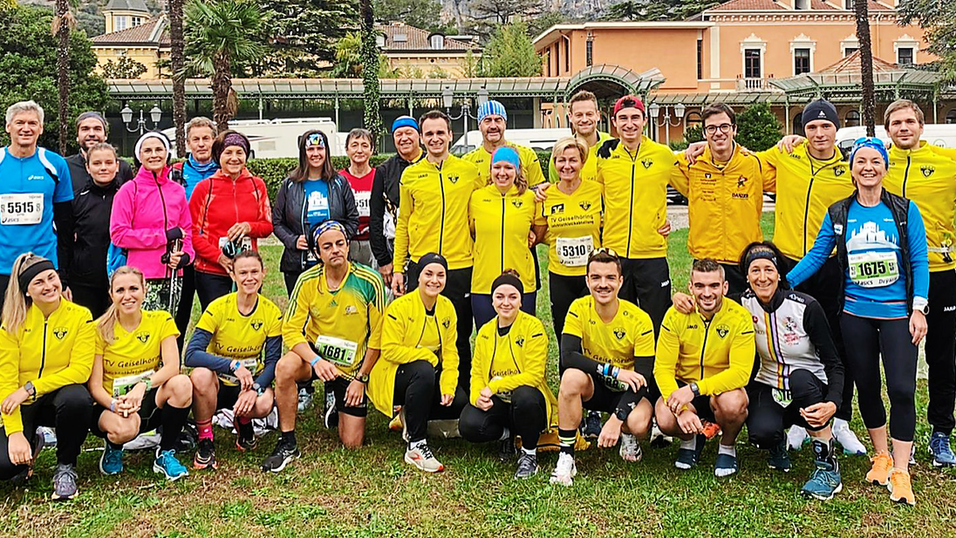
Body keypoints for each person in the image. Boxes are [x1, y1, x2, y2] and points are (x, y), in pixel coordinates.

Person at [787, 137, 929, 506]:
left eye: (875, 161)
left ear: (884, 168)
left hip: (898, 314)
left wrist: (919, 308)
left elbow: (919, 261)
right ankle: (880, 454)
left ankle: (901, 468)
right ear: (851, 170)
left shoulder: (903, 211)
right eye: (861, 161)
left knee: (900, 389)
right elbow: (818, 255)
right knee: (866, 387)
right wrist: (778, 285)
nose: (868, 167)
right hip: (855, 314)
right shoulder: (839, 213)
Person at [673, 242, 845, 499]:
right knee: (762, 433)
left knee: (799, 378)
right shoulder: (741, 304)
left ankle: (827, 466)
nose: (762, 277)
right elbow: (707, 299)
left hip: (808, 384)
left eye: (768, 269)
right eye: (755, 270)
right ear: (747, 276)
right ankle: (775, 441)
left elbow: (834, 363)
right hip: (769, 382)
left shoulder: (806, 307)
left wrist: (833, 402)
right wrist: (678, 298)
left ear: (779, 273)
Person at [758, 100, 864, 454]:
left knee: (836, 342)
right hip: (789, 263)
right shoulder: (786, 157)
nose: (819, 134)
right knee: (790, 342)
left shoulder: (848, 167)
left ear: (836, 130)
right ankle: (800, 421)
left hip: (832, 265)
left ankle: (842, 418)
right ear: (802, 131)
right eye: (811, 127)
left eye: (826, 127)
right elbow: (743, 159)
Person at [261, 221, 386, 472]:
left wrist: (361, 379)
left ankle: (336, 402)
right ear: (317, 253)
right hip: (316, 358)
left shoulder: (369, 280)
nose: (335, 250)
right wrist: (317, 361)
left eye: (340, 244)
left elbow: (379, 338)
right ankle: (287, 441)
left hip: (352, 366)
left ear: (348, 246)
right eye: (327, 246)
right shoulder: (307, 280)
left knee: (352, 443)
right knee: (284, 368)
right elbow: (291, 329)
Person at [881, 99, 956, 466]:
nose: (903, 127)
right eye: (896, 122)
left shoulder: (948, 163)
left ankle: (941, 432)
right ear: (887, 130)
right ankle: (902, 439)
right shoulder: (879, 163)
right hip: (894, 277)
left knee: (942, 356)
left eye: (910, 121)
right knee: (900, 361)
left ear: (922, 126)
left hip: (942, 273)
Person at [392, 110, 482, 394]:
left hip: (460, 266)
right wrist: (398, 268)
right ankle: (422, 394)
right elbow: (404, 222)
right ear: (422, 137)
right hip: (422, 265)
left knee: (459, 335)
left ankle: (460, 395)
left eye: (440, 132)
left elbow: (485, 207)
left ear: (450, 135)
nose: (434, 138)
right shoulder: (411, 174)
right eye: (429, 134)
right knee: (419, 335)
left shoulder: (469, 172)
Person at [550, 250, 656, 486]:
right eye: (596, 278)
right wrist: (613, 371)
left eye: (610, 278)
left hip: (627, 391)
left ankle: (627, 435)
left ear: (620, 281)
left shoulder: (639, 319)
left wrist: (617, 420)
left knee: (638, 423)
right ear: (587, 281)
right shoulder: (578, 308)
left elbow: (644, 377)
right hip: (595, 385)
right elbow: (567, 357)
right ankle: (566, 454)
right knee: (570, 378)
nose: (603, 284)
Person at [0, 253, 93, 500]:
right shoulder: (12, 323)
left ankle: (65, 467)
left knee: (78, 398)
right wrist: (15, 433)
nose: (49, 286)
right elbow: (6, 380)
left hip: (57, 399)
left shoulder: (80, 316)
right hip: (21, 404)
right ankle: (32, 440)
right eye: (38, 282)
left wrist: (31, 387)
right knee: (6, 467)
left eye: (51, 277)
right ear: (27, 291)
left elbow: (81, 370)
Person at [87, 266, 192, 481]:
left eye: (134, 288)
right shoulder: (98, 329)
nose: (128, 296)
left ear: (144, 290)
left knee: (182, 384)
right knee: (126, 428)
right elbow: (95, 386)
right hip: (112, 405)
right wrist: (116, 405)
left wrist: (143, 385)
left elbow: (173, 366)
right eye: (120, 290)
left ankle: (166, 452)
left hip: (148, 399)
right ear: (111, 294)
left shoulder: (161, 320)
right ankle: (114, 447)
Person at [654, 259, 754, 477]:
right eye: (699, 286)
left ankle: (727, 446)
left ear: (725, 288)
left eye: (714, 286)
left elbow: (741, 373)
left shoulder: (740, 318)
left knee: (734, 403)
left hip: (720, 389)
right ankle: (690, 440)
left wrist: (695, 389)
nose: (707, 293)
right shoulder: (675, 314)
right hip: (685, 386)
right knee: (664, 415)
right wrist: (681, 408)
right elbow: (662, 368)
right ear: (690, 287)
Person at [367, 253, 467, 472]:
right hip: (393, 374)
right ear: (418, 277)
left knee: (458, 400)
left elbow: (451, 352)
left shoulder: (447, 307)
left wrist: (448, 385)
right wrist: (428, 357)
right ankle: (416, 445)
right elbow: (390, 350)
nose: (434, 280)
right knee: (423, 370)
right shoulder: (400, 307)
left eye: (440, 275)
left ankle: (408, 418)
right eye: (428, 274)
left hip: (425, 373)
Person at [185, 250, 282, 470]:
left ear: (264, 273)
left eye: (255, 272)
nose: (250, 278)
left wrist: (255, 388)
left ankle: (244, 422)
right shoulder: (218, 307)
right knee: (199, 375)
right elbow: (191, 354)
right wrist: (232, 365)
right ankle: (206, 439)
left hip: (248, 384)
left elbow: (273, 361)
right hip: (217, 384)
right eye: (243, 272)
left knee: (265, 402)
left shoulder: (271, 311)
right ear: (233, 276)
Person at [459, 271, 558, 479]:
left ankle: (529, 454)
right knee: (468, 423)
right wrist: (477, 396)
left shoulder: (533, 328)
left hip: (529, 404)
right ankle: (509, 436)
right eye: (500, 297)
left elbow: (534, 375)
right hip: (501, 404)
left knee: (524, 395)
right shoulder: (485, 332)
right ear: (492, 301)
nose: (506, 303)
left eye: (513, 297)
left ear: (521, 301)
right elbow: (476, 373)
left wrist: (494, 386)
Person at [594, 95, 676, 332]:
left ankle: (654, 369)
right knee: (620, 320)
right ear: (614, 123)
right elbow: (587, 190)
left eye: (634, 118)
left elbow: (693, 185)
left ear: (644, 120)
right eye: (623, 118)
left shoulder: (663, 155)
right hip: (615, 252)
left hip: (652, 253)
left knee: (657, 319)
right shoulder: (604, 157)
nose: (629, 124)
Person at [671, 103, 771, 295]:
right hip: (705, 260)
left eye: (724, 126)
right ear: (704, 133)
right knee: (707, 319)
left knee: (743, 319)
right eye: (711, 128)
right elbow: (658, 166)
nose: (718, 133)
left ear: (734, 129)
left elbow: (790, 169)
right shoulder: (691, 163)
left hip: (742, 259)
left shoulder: (754, 163)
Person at [109, 131, 194, 320]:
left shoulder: (177, 191)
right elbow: (119, 235)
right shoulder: (129, 190)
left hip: (173, 276)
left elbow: (187, 230)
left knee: (167, 331)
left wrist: (186, 256)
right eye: (147, 150)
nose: (154, 154)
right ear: (139, 156)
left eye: (158, 149)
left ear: (167, 153)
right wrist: (162, 236)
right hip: (140, 277)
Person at [189, 130, 272, 310]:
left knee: (248, 320)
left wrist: (249, 227)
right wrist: (219, 258)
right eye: (228, 153)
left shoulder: (257, 186)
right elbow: (192, 233)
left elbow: (267, 226)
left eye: (239, 152)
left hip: (247, 270)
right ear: (219, 156)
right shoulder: (205, 188)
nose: (234, 158)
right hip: (212, 271)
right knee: (217, 325)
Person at [0, 101, 74, 304]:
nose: (26, 128)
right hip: (2, 267)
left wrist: (63, 276)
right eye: (19, 123)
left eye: (32, 123)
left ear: (40, 128)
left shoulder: (55, 164)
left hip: (42, 267)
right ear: (8, 127)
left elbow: (65, 223)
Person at [273, 129, 359, 295]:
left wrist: (337, 240)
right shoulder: (289, 184)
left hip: (334, 262)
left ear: (326, 151)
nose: (315, 153)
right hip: (298, 264)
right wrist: (293, 240)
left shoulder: (339, 183)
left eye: (320, 148)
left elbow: (353, 219)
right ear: (303, 153)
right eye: (310, 149)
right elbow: (277, 222)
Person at [469, 146, 545, 329]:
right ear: (490, 170)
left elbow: (540, 229)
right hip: (484, 284)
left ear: (517, 170)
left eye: (509, 167)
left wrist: (533, 236)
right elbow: (472, 231)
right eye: (497, 167)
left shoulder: (530, 199)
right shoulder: (477, 198)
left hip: (521, 284)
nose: (502, 173)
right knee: (487, 340)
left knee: (522, 342)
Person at [540, 137, 604, 340]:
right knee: (565, 332)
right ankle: (567, 371)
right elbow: (538, 232)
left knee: (594, 333)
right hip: (560, 274)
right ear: (554, 163)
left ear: (582, 162)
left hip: (592, 273)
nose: (567, 166)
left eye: (573, 160)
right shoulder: (545, 195)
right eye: (561, 160)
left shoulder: (597, 191)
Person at [172, 117, 219, 351]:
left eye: (206, 139)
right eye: (196, 139)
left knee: (218, 315)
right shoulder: (175, 172)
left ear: (214, 141)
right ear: (188, 143)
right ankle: (173, 371)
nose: (201, 144)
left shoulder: (225, 168)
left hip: (214, 255)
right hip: (183, 255)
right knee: (178, 318)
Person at [69, 142, 123, 317]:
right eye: (97, 163)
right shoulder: (77, 199)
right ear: (87, 167)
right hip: (84, 280)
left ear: (117, 166)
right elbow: (65, 239)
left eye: (108, 163)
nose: (103, 168)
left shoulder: (128, 196)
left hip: (121, 279)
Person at [369, 116, 424, 285]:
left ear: (419, 136)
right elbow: (376, 217)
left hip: (427, 242)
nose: (404, 138)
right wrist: (383, 260)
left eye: (409, 132)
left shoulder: (433, 164)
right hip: (394, 246)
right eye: (399, 134)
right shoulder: (384, 171)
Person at [462, 100, 546, 188]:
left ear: (505, 124)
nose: (493, 126)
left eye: (498, 120)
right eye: (488, 121)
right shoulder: (467, 161)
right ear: (479, 126)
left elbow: (538, 192)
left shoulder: (527, 155)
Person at [548, 90, 613, 183]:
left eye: (589, 114)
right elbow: (555, 186)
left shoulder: (613, 146)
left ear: (598, 115)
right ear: (570, 117)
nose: (584, 119)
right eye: (579, 115)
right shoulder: (560, 151)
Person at [65, 111, 134, 195]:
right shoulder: (65, 167)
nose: (91, 134)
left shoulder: (123, 168)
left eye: (97, 129)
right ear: (77, 136)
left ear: (105, 135)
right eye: (85, 129)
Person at [340, 128, 377, 267]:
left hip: (374, 243)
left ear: (372, 150)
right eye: (354, 145)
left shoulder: (379, 177)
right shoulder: (339, 179)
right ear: (347, 150)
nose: (359, 150)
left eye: (365, 145)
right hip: (348, 242)